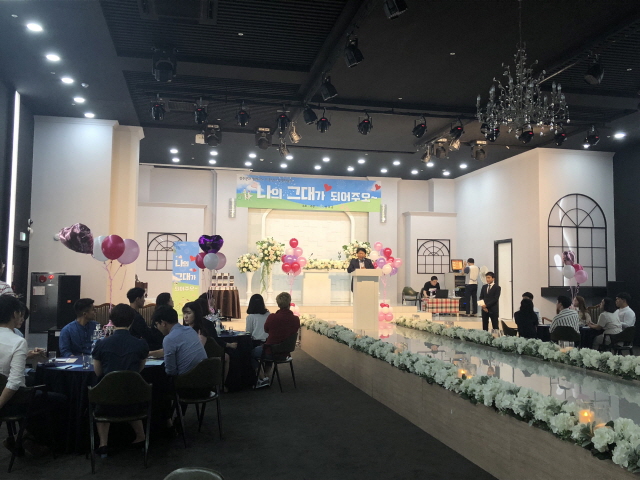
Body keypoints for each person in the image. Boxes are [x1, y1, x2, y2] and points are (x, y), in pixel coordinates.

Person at [0, 295, 65, 456]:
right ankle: (29, 438)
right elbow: (14, 383)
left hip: (5, 395)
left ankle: (21, 438)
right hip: (12, 400)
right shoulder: (17, 341)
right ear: (15, 314)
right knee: (60, 399)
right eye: (20, 313)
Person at [91, 304, 149, 458]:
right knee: (130, 393)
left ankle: (103, 444)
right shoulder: (140, 344)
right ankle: (141, 436)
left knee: (101, 394)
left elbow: (98, 372)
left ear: (111, 320)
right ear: (132, 321)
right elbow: (139, 369)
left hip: (107, 400)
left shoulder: (101, 344)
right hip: (134, 398)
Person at [252, 292, 300, 388]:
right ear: (289, 303)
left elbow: (266, 329)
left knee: (251, 353)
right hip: (285, 353)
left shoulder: (272, 317)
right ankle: (266, 376)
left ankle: (262, 378)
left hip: (271, 351)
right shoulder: (296, 319)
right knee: (270, 347)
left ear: (278, 304)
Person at [152, 305, 207, 377]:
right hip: (205, 374)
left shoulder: (169, 339)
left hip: (187, 379)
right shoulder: (190, 330)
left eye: (156, 324)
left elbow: (171, 371)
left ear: (163, 323)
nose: (157, 328)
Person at [127, 287, 164, 352]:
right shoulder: (137, 317)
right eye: (143, 298)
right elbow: (146, 334)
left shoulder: (127, 313)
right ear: (138, 299)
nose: (144, 300)